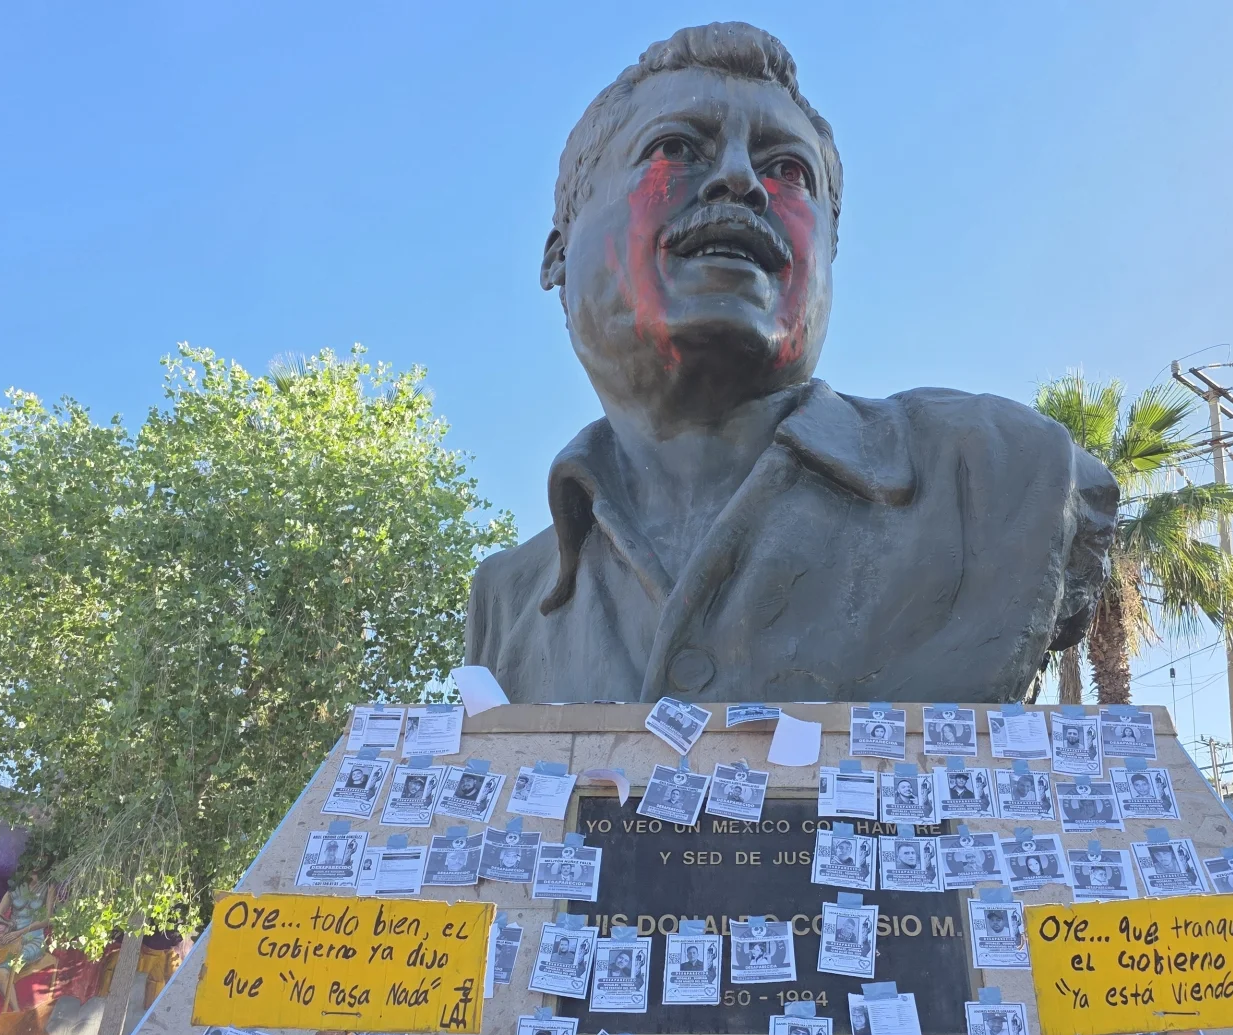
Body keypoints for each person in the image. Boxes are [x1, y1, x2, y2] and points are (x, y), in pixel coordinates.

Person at [462, 26, 1116, 706]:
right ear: (557, 255)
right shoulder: (506, 601)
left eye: (788, 171)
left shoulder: (1002, 475)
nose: (741, 181)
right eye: (677, 149)